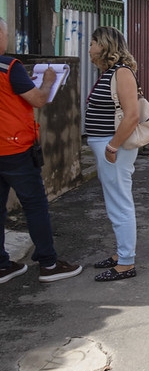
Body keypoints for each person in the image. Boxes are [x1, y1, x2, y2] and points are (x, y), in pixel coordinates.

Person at [0, 17, 83, 284]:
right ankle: (48, 263)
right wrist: (46, 80)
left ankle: (2, 265)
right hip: (15, 149)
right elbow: (38, 99)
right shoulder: (9, 67)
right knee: (35, 205)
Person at [85, 26, 142, 281]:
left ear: (105, 45)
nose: (90, 48)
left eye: (93, 42)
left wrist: (112, 146)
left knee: (120, 202)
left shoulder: (121, 73)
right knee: (115, 201)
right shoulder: (110, 73)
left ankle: (126, 263)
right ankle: (122, 253)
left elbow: (132, 116)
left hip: (113, 146)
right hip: (107, 145)